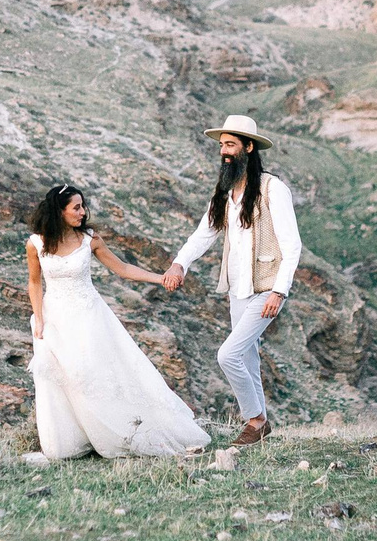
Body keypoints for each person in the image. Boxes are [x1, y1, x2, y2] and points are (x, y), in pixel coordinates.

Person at [24, 183, 210, 460]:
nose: (83, 212)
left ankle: (118, 432)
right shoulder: (36, 243)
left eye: (83, 206)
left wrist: (160, 278)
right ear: (59, 211)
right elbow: (35, 282)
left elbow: (123, 269)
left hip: (90, 318)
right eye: (76, 207)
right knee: (67, 379)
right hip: (56, 320)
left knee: (95, 375)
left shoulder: (90, 240)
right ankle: (77, 437)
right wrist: (38, 319)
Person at [159, 114, 300, 447]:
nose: (224, 151)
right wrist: (180, 263)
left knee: (228, 355)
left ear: (248, 148)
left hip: (267, 289)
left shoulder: (272, 189)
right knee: (247, 356)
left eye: (230, 144)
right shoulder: (223, 192)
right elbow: (203, 234)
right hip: (237, 288)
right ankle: (260, 427)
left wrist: (280, 292)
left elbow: (292, 245)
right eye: (222, 144)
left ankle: (254, 420)